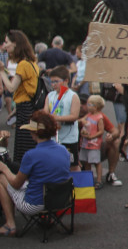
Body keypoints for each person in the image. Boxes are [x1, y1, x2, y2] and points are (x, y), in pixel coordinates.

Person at [0, 110, 70, 237]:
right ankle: (47, 218)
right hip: (61, 200)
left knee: (1, 177)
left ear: (34, 132)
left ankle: (10, 224)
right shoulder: (63, 149)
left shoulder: (31, 155)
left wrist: (4, 168)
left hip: (36, 204)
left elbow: (16, 184)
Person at [0, 31, 41, 163]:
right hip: (30, 108)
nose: (4, 45)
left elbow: (11, 88)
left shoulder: (23, 64)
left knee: (23, 150)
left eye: (6, 42)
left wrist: (1, 72)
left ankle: (23, 180)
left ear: (15, 43)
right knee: (30, 145)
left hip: (25, 111)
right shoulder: (32, 62)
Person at [44, 66, 81, 171]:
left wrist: (57, 118)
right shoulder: (50, 95)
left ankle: (77, 185)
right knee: (53, 162)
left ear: (66, 81)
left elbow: (74, 116)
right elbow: (46, 111)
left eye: (56, 81)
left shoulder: (73, 96)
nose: (53, 84)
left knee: (72, 164)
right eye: (51, 82)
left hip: (69, 137)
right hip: (53, 137)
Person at [79, 94, 105, 188]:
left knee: (96, 161)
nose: (88, 106)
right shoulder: (89, 115)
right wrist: (83, 121)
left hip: (94, 143)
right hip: (85, 142)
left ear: (96, 106)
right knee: (86, 161)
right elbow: (82, 120)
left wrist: (92, 136)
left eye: (90, 105)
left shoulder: (99, 117)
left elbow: (101, 131)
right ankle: (88, 179)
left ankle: (98, 180)